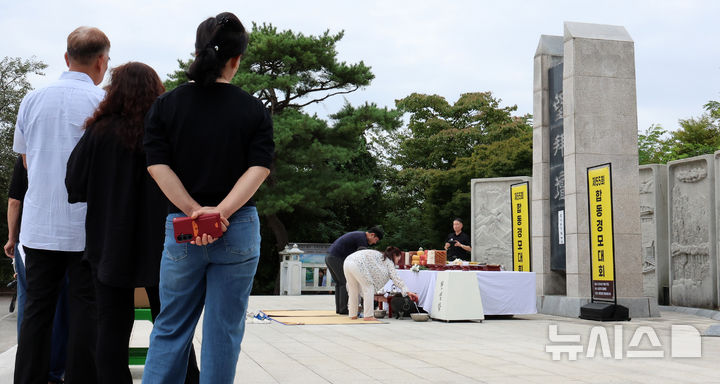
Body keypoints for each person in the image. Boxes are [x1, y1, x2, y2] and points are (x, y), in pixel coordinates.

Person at [142, 12, 274, 383]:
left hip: (183, 229)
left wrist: (193, 211)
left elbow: (157, 165)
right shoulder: (253, 109)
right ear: (236, 60)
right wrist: (221, 212)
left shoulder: (166, 106)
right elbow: (259, 168)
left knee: (170, 326)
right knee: (224, 331)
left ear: (197, 51)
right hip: (238, 228)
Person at [65, 62, 199, 384]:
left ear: (114, 91)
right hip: (164, 243)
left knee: (111, 329)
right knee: (170, 325)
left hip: (109, 241)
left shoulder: (98, 132)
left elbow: (74, 185)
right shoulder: (169, 131)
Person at [12, 26, 110, 383]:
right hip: (85, 226)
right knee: (86, 309)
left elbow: (25, 161)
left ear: (66, 58)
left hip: (38, 223)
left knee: (37, 311)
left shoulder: (32, 99)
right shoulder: (101, 104)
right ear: (101, 61)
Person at [4, 155, 69, 384]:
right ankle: (54, 372)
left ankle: (29, 371)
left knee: (30, 309)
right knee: (61, 309)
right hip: (67, 240)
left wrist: (12, 238)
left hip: (30, 241)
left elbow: (14, 201)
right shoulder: (68, 156)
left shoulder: (27, 159)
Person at [343, 246, 419, 321]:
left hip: (347, 261)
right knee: (369, 287)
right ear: (395, 255)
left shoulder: (379, 257)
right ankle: (368, 315)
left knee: (353, 289)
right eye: (399, 257)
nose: (398, 260)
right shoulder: (388, 261)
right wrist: (407, 291)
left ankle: (352, 314)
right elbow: (396, 278)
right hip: (357, 264)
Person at [325, 226, 384, 314]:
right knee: (345, 282)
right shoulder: (362, 239)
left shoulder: (359, 236)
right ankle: (343, 309)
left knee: (340, 283)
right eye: (376, 240)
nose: (375, 242)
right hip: (336, 258)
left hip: (329, 257)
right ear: (372, 235)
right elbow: (362, 256)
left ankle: (340, 309)